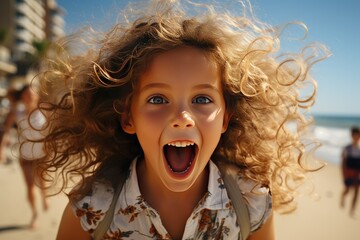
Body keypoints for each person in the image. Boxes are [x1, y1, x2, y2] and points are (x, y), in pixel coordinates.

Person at [28, 0, 329, 239]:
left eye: (202, 99)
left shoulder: (251, 204)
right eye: (158, 99)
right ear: (128, 118)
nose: (182, 118)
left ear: (226, 117)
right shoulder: (91, 209)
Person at [0, 84, 49, 229]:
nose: (29, 97)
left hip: (42, 155)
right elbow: (6, 131)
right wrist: (1, 149)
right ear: (23, 96)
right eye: (27, 95)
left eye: (32, 95)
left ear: (37, 97)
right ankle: (35, 215)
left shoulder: (44, 111)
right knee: (30, 187)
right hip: (25, 156)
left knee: (42, 183)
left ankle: (45, 197)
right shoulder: (17, 112)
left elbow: (52, 131)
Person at [341, 126, 360, 216]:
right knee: (347, 190)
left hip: (357, 174)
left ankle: (352, 210)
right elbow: (343, 163)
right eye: (355, 135)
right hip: (348, 173)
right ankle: (342, 197)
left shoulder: (359, 149)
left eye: (358, 135)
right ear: (352, 136)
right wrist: (344, 175)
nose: (357, 137)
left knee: (356, 191)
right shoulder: (347, 148)